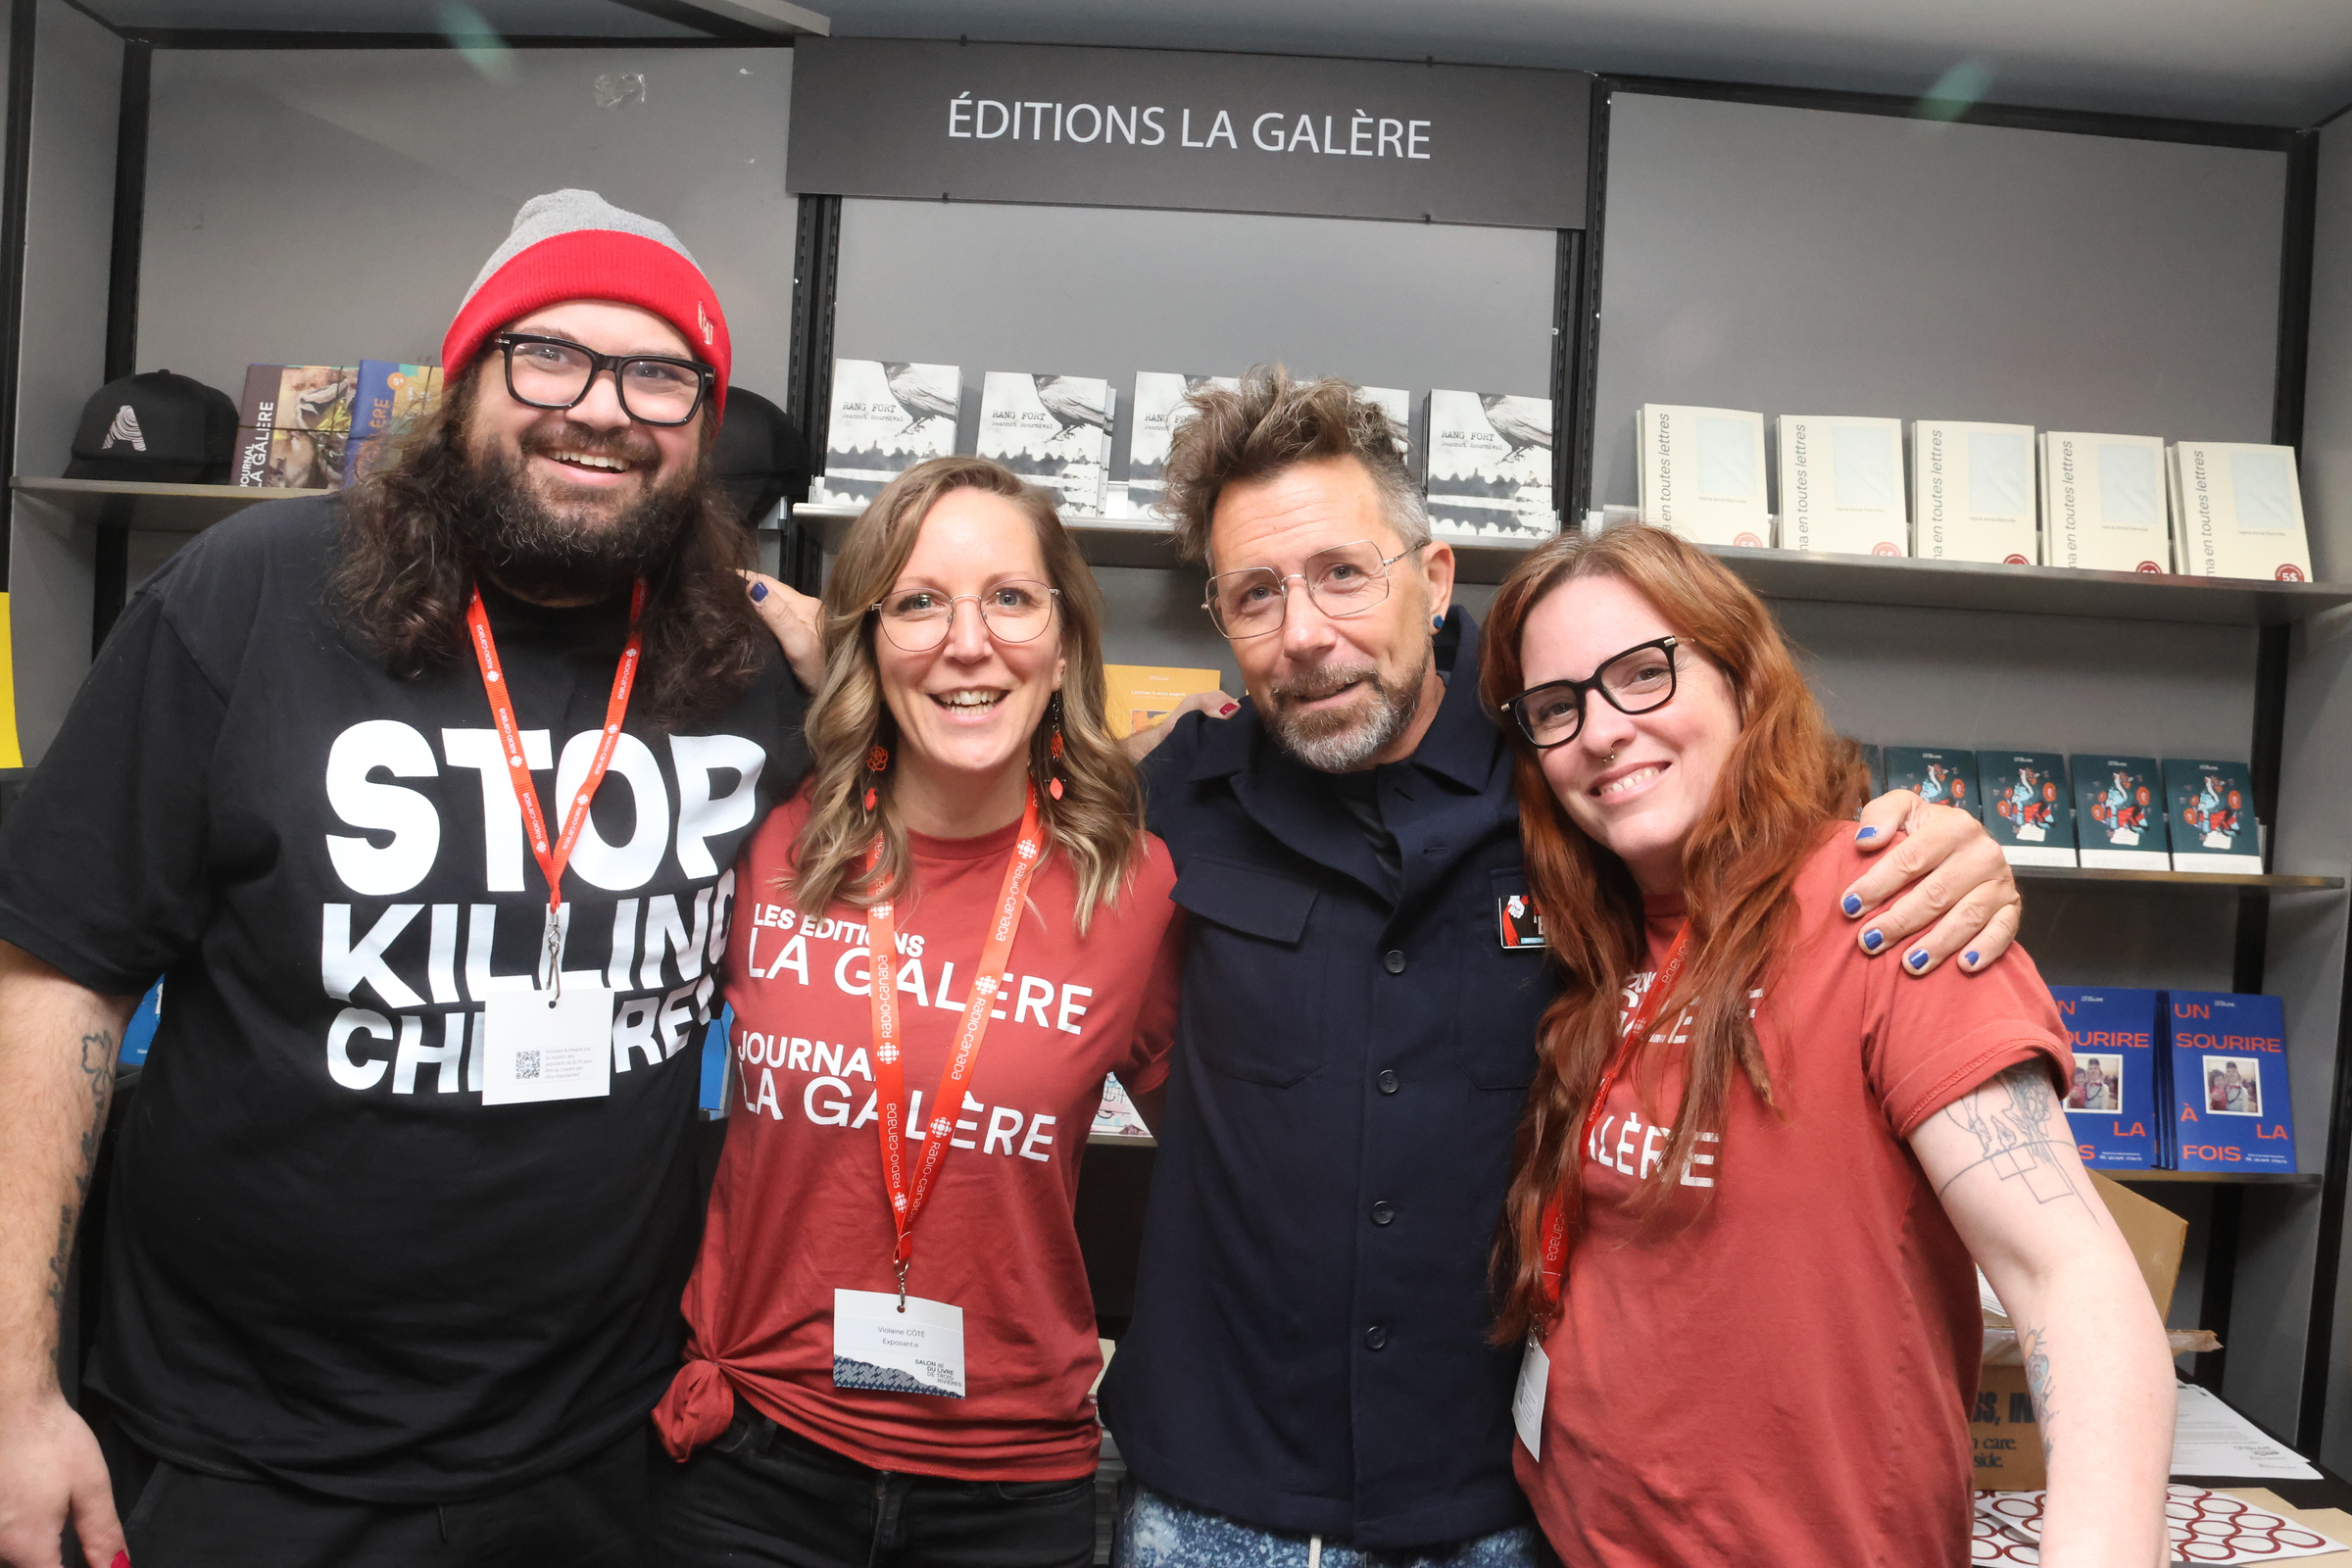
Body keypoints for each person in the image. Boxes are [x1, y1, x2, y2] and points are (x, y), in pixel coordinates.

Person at [0, 190, 807, 1568]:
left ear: (703, 420)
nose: (602, 409)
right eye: (549, 356)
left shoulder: (750, 664)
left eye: (660, 376)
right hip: (240, 1454)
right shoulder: (249, 595)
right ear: (467, 379)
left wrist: (884, 658)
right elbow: (55, 975)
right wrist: (15, 1388)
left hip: (607, 1451)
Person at [1099, 368, 2027, 1565]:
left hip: (1502, 1509)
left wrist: (1946, 850)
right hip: (1210, 1505)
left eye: (1343, 573)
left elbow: (1767, 848)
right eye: (1255, 594)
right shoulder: (1173, 793)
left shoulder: (1575, 773)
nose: (1306, 633)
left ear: (1435, 578)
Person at [1480, 523, 2174, 1564]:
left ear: (1740, 677)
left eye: (1643, 673)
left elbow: (2066, 1276)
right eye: (1556, 706)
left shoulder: (1890, 905)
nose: (1603, 731)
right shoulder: (1597, 937)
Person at [654, 457, 1183, 1567]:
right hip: (754, 1465)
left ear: (1065, 644)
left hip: (1008, 1486)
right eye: (918, 603)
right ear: (867, 641)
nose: (967, 642)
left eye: (1011, 598)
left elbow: (1240, 1168)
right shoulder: (765, 840)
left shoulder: (1135, 890)